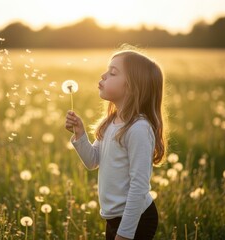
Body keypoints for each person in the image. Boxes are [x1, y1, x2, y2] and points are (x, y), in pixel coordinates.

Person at [65, 45, 168, 240]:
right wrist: (80, 133)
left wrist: (125, 233)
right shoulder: (111, 122)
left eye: (112, 73)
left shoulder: (138, 129)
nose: (103, 76)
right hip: (114, 218)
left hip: (136, 219)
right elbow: (92, 161)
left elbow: (139, 186)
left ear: (132, 86)